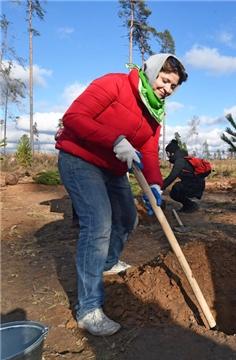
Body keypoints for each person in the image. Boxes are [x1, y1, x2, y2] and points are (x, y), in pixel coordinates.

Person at [55, 54, 188, 336]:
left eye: (173, 86)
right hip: (80, 159)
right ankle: (89, 309)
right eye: (164, 80)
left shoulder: (155, 112)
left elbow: (149, 151)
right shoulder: (114, 84)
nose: (167, 89)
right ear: (152, 73)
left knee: (128, 218)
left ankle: (107, 262)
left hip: (113, 167)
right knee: (98, 224)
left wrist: (154, 184)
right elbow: (73, 118)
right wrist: (114, 139)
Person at [162, 139, 205, 213]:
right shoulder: (182, 159)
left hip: (195, 185)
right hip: (196, 184)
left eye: (167, 153)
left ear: (172, 153)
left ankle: (192, 205)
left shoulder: (180, 161)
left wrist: (161, 186)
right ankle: (187, 206)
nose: (167, 155)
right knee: (177, 188)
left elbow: (173, 176)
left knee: (176, 190)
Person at [55, 125, 80, 228]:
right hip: (75, 160)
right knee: (78, 190)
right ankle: (76, 218)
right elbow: (57, 135)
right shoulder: (69, 125)